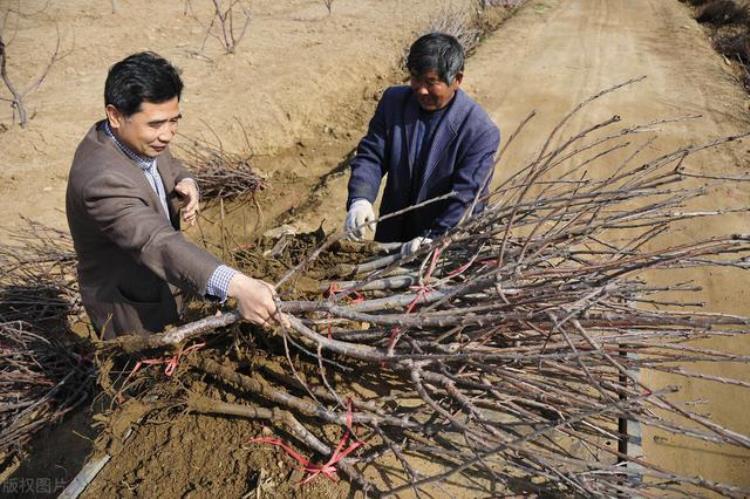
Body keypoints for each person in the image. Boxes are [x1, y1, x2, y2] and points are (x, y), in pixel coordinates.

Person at [66, 52, 285, 339]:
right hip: (132, 310)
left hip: (164, 283)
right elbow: (156, 242)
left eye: (174, 121)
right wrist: (239, 286)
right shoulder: (101, 181)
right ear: (115, 115)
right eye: (157, 124)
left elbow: (167, 163)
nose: (168, 135)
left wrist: (186, 181)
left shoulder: (138, 139)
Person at [344, 32, 500, 255]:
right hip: (391, 237)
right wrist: (361, 199)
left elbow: (467, 197)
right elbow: (372, 155)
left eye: (431, 82)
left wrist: (433, 239)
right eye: (415, 78)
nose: (421, 89)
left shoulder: (479, 131)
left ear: (457, 79)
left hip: (442, 250)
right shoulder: (394, 102)